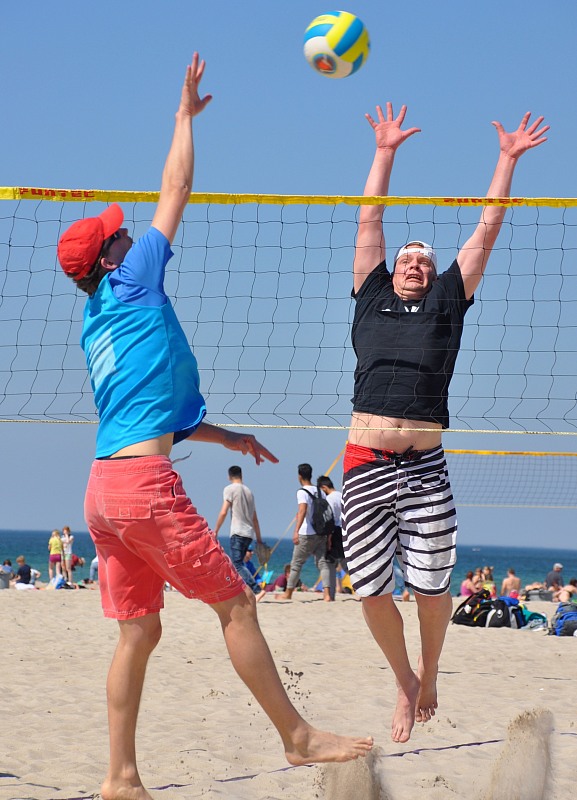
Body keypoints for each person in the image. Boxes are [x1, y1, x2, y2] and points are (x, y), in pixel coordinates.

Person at [55, 54, 372, 799]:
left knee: (139, 631)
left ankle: (121, 778)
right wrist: (183, 119)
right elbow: (175, 189)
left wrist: (226, 439)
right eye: (117, 235)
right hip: (142, 486)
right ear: (109, 258)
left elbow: (147, 414)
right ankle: (296, 737)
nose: (128, 234)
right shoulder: (133, 279)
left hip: (103, 489)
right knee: (237, 605)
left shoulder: (96, 320)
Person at [342, 101, 548, 744]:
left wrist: (506, 160)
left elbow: (487, 228)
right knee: (370, 591)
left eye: (425, 262)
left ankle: (429, 673)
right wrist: (384, 151)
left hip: (425, 467)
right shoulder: (370, 295)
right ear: (390, 270)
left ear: (435, 277)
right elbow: (370, 218)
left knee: (433, 592)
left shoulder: (447, 304)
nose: (415, 264)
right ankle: (404, 679)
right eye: (408, 259)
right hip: (364, 463)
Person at [278, 464, 335, 603]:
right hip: (321, 532)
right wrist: (328, 535)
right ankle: (327, 595)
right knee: (322, 563)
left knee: (296, 564)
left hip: (306, 532)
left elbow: (302, 510)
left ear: (299, 476)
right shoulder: (320, 491)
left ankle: (288, 593)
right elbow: (327, 513)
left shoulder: (302, 492)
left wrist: (296, 531)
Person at [213, 466, 266, 601]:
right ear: (241, 475)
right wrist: (259, 539)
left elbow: (224, 511)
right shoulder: (249, 492)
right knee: (240, 563)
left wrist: (216, 530)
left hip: (238, 531)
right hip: (249, 533)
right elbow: (255, 518)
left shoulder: (230, 489)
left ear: (229, 476)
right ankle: (241, 591)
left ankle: (257, 590)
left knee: (237, 564)